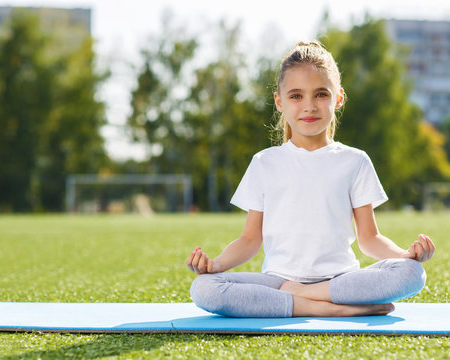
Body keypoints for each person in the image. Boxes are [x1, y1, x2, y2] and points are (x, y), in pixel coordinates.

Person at [186, 41, 435, 318]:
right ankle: (335, 310)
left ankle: (306, 297)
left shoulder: (355, 161)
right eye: (296, 96)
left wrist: (404, 255)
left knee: (412, 274)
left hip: (340, 280)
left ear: (338, 98)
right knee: (204, 288)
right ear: (279, 101)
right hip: (278, 281)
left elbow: (369, 238)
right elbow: (250, 239)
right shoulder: (264, 163)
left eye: (320, 94)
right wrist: (216, 265)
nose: (309, 106)